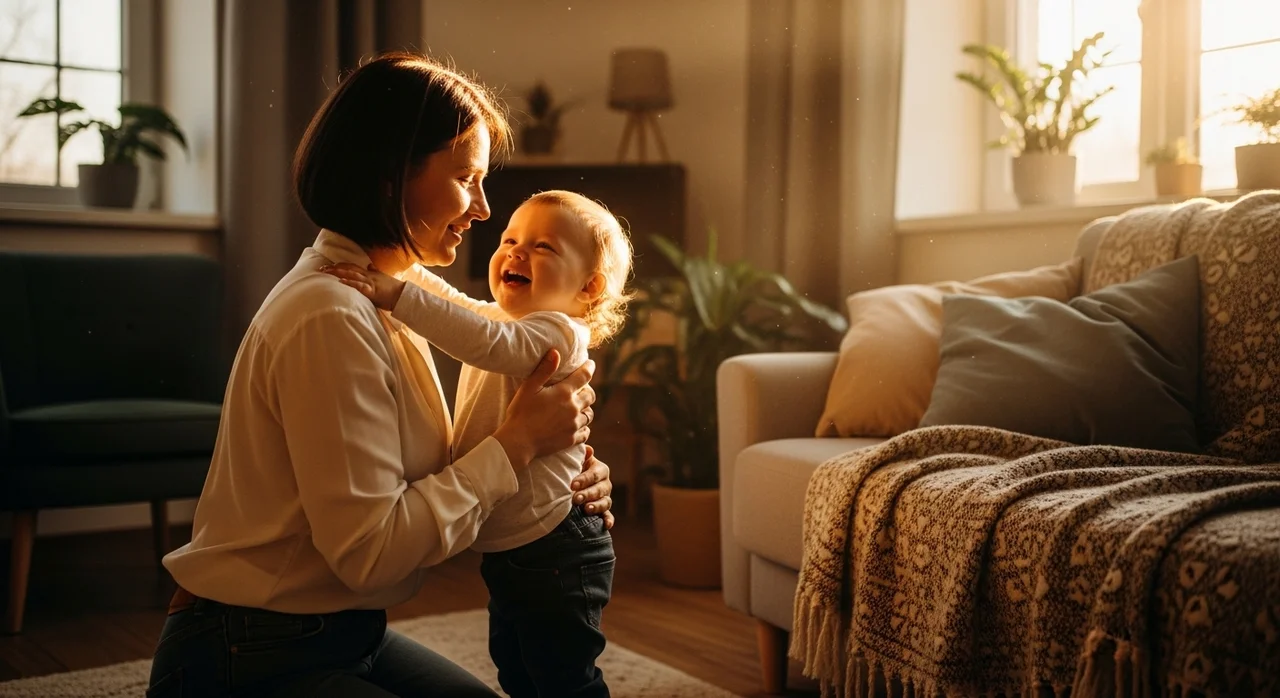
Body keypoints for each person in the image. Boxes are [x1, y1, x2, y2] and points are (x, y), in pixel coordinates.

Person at [146, 53, 617, 698]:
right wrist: (519, 445)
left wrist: (561, 479)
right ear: (392, 177)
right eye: (466, 179)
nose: (482, 209)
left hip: (341, 632)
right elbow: (372, 553)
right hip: (249, 649)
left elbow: (481, 383)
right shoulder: (330, 313)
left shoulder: (391, 293)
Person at [322, 189, 633, 697]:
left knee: (564, 680)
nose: (515, 252)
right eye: (511, 239)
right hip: (515, 547)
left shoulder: (558, 332)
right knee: (517, 669)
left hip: (558, 545)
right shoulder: (510, 321)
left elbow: (482, 341)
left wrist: (394, 293)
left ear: (589, 288)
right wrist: (398, 266)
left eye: (543, 247)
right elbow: (459, 307)